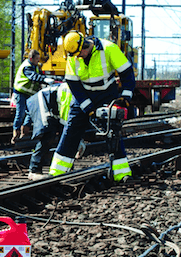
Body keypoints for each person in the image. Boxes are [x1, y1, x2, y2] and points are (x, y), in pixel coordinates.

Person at [49, 31, 135, 182]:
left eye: (79, 54)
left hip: (106, 94)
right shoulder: (73, 55)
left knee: (112, 132)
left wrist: (126, 97)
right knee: (71, 130)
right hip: (83, 95)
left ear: (85, 45)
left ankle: (121, 173)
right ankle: (57, 172)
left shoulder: (109, 49)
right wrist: (87, 107)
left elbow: (127, 74)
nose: (78, 57)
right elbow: (73, 83)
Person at [24, 82, 72, 177]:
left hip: (52, 106)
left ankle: (66, 168)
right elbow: (66, 122)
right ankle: (34, 170)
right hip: (43, 102)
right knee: (49, 135)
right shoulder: (71, 96)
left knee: (62, 138)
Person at [11, 49, 47, 143]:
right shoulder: (27, 67)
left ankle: (24, 132)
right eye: (37, 59)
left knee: (31, 113)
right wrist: (45, 80)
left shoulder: (35, 67)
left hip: (29, 94)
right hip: (21, 92)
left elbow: (39, 75)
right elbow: (34, 77)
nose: (38, 61)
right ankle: (16, 134)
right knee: (20, 113)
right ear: (31, 58)